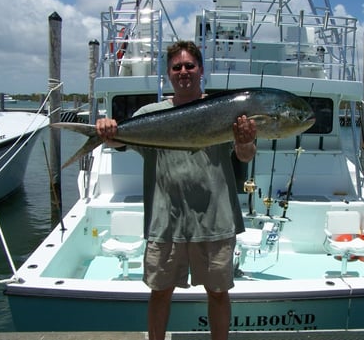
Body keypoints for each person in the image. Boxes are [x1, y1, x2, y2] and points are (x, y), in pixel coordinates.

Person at [96, 40, 256, 340]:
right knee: (159, 293)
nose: (183, 71)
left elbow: (244, 156)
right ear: (168, 73)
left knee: (219, 293)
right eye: (176, 67)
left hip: (215, 221)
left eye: (189, 66)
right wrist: (107, 131)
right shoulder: (151, 112)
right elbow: (121, 140)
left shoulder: (224, 111)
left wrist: (245, 140)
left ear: (201, 70)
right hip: (166, 222)